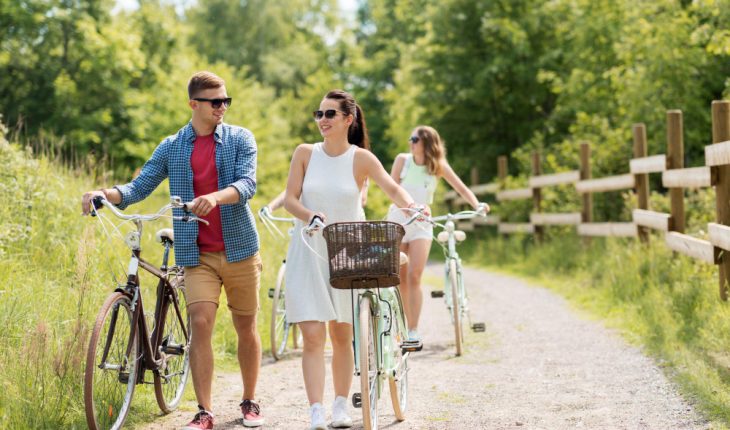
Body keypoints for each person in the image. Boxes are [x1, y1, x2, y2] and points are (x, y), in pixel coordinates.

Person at [81, 71, 265, 430]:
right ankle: (205, 411)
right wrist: (104, 193)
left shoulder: (241, 138)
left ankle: (250, 400)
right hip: (196, 254)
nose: (222, 107)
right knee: (199, 322)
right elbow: (139, 187)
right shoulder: (173, 146)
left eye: (226, 101)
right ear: (194, 104)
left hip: (240, 248)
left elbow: (247, 184)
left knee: (246, 326)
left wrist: (214, 197)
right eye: (215, 102)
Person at [282, 89, 421, 430]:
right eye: (319, 114)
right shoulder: (305, 153)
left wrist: (413, 206)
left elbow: (393, 189)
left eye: (330, 114)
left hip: (346, 251)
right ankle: (316, 410)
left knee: (343, 334)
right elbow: (289, 199)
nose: (323, 120)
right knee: (313, 335)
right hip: (309, 250)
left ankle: (341, 406)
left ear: (349, 119)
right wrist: (310, 214)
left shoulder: (361, 158)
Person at [386, 125, 489, 345]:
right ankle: (400, 327)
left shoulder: (437, 166)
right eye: (410, 138)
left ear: (426, 142)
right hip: (398, 219)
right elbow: (391, 190)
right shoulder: (402, 161)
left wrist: (477, 204)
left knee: (415, 275)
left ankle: (413, 330)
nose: (410, 142)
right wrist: (408, 210)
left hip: (422, 224)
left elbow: (460, 187)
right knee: (399, 277)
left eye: (414, 138)